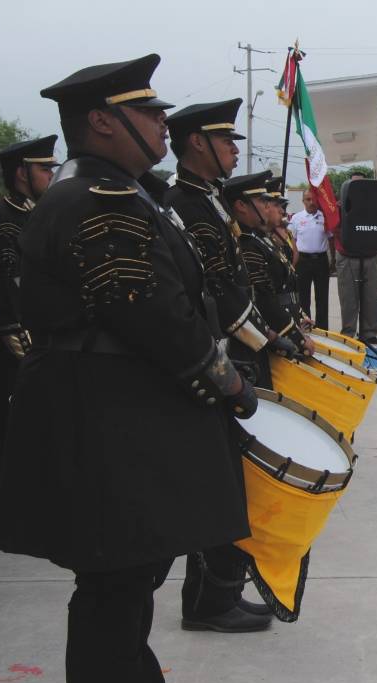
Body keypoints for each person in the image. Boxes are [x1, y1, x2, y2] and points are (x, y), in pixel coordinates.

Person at [0, 54, 258, 683]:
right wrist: (226, 380)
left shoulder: (125, 191)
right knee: (114, 586)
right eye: (147, 114)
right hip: (102, 412)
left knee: (131, 578)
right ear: (104, 121)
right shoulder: (99, 197)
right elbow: (146, 312)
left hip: (119, 406)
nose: (160, 126)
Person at [164, 100, 276, 633]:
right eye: (225, 140)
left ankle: (219, 592)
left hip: (231, 353)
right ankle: (210, 601)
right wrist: (259, 342)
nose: (235, 149)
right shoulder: (183, 204)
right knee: (219, 484)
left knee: (230, 480)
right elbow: (214, 295)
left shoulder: (206, 201)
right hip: (217, 358)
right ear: (196, 144)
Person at [0, 136, 58, 526]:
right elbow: (7, 290)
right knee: (13, 433)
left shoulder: (34, 213)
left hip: (38, 335)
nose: (50, 174)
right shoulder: (2, 220)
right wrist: (26, 350)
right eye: (43, 168)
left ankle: (31, 508)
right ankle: (9, 516)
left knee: (35, 432)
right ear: (21, 173)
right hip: (16, 342)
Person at [226, 171, 312, 383]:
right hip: (263, 335)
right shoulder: (248, 243)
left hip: (277, 327)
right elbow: (264, 298)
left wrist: (298, 315)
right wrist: (294, 335)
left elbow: (286, 287)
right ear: (241, 206)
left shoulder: (261, 240)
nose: (277, 209)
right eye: (264, 202)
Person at [334, 173, 377, 344]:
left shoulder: (375, 204)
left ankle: (369, 334)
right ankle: (348, 333)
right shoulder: (339, 207)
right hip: (348, 256)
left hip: (371, 255)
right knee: (348, 299)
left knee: (370, 297)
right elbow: (335, 228)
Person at [289, 189, 333, 330]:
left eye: (313, 199)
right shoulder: (296, 218)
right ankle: (306, 327)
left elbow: (331, 239)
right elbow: (292, 240)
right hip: (303, 261)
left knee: (322, 297)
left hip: (320, 260)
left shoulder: (325, 217)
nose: (311, 202)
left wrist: (333, 260)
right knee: (303, 297)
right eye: (307, 199)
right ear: (303, 201)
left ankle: (322, 329)